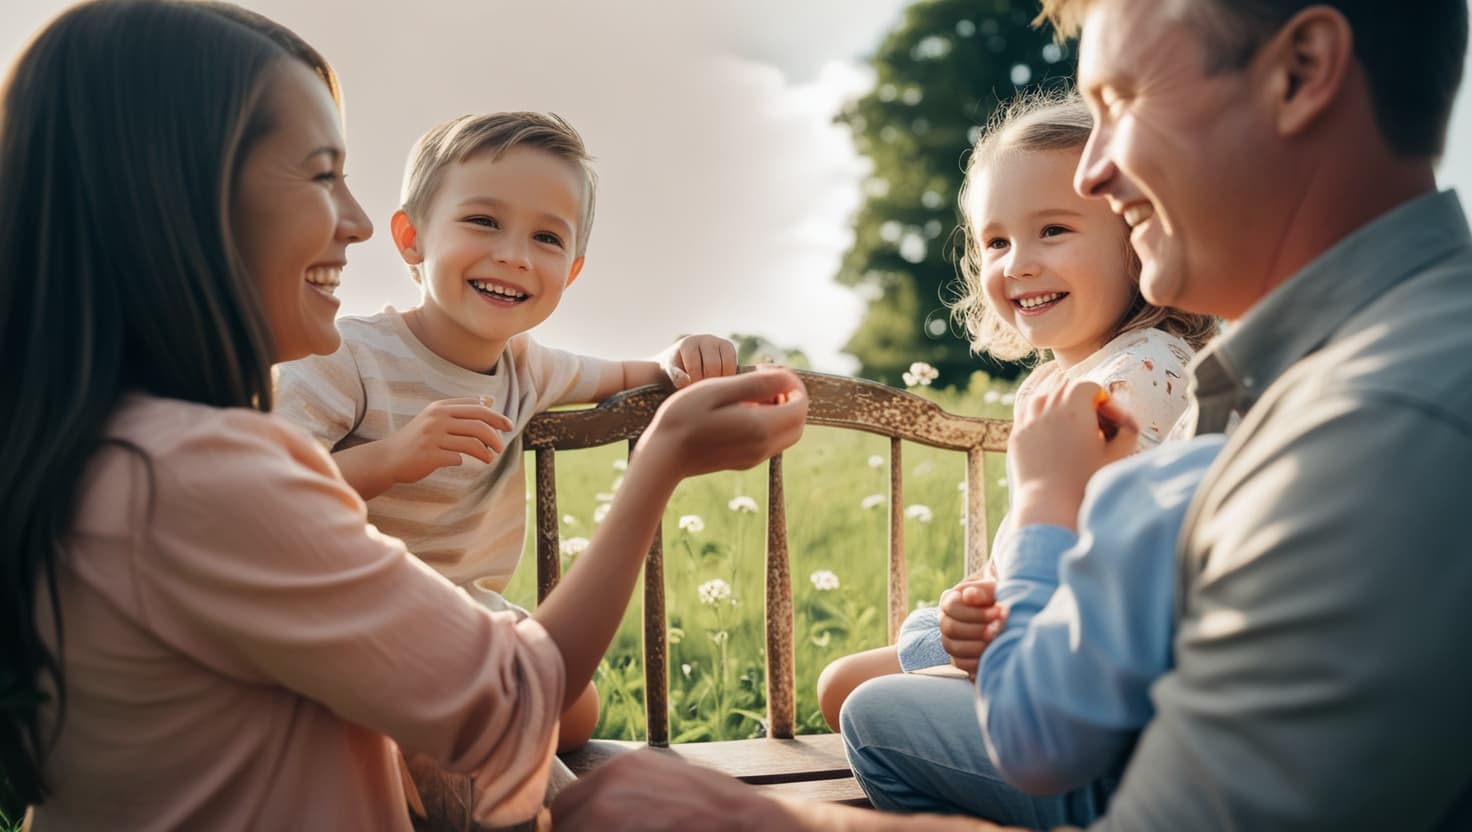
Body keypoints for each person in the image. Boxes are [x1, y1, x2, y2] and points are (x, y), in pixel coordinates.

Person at [545, 0, 1472, 828]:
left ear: (1303, 73)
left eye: (1124, 100)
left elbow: (1091, 763)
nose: (1099, 171)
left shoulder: (1375, 429)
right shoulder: (1321, 384)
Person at [0, 3, 807, 830]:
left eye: (546, 237)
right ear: (171, 197)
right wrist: (660, 460)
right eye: (321, 175)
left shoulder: (102, 447)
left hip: (446, 655)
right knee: (635, 801)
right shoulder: (201, 474)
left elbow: (632, 372)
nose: (353, 221)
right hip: (466, 670)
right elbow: (509, 701)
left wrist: (680, 363)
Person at [272, 110, 738, 752]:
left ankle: (438, 757)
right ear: (411, 238)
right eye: (483, 221)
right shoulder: (345, 356)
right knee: (475, 717)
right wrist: (391, 458)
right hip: (352, 611)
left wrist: (683, 350)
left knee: (576, 713)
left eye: (548, 239)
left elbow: (639, 372)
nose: (514, 255)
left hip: (463, 616)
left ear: (571, 270)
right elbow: (267, 495)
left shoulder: (528, 366)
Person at [815, 91, 1214, 741]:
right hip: (1024, 620)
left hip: (1081, 653)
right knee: (848, 681)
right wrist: (970, 602)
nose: (1018, 262)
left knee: (849, 691)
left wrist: (999, 619)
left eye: (1053, 230)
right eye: (995, 241)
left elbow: (1110, 554)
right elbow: (1028, 541)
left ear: (1138, 239)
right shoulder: (1053, 383)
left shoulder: (1145, 368)